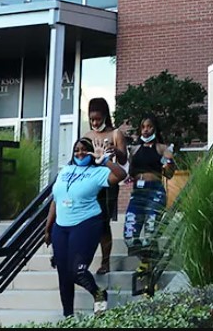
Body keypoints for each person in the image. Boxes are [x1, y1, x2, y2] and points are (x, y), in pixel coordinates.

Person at [45, 137, 126, 317]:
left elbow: (121, 175)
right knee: (64, 275)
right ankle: (68, 317)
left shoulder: (98, 172)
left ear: (91, 152)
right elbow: (55, 200)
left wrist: (104, 160)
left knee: (77, 271)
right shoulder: (65, 170)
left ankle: (99, 294)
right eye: (77, 150)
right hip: (61, 227)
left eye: (84, 150)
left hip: (86, 223)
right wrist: (48, 228)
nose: (80, 153)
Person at [123, 114, 175, 274]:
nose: (145, 130)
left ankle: (149, 267)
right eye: (143, 127)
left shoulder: (162, 148)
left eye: (149, 126)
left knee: (150, 234)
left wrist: (169, 163)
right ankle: (149, 260)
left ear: (155, 128)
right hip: (137, 193)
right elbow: (128, 172)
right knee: (130, 237)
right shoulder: (134, 149)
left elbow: (169, 174)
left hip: (155, 191)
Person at [84, 97, 127, 274]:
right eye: (92, 119)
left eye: (98, 119)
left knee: (103, 222)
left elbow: (123, 160)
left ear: (105, 116)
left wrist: (115, 151)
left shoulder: (116, 134)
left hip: (109, 182)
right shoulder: (87, 136)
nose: (95, 123)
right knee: (90, 221)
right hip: (91, 183)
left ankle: (105, 262)